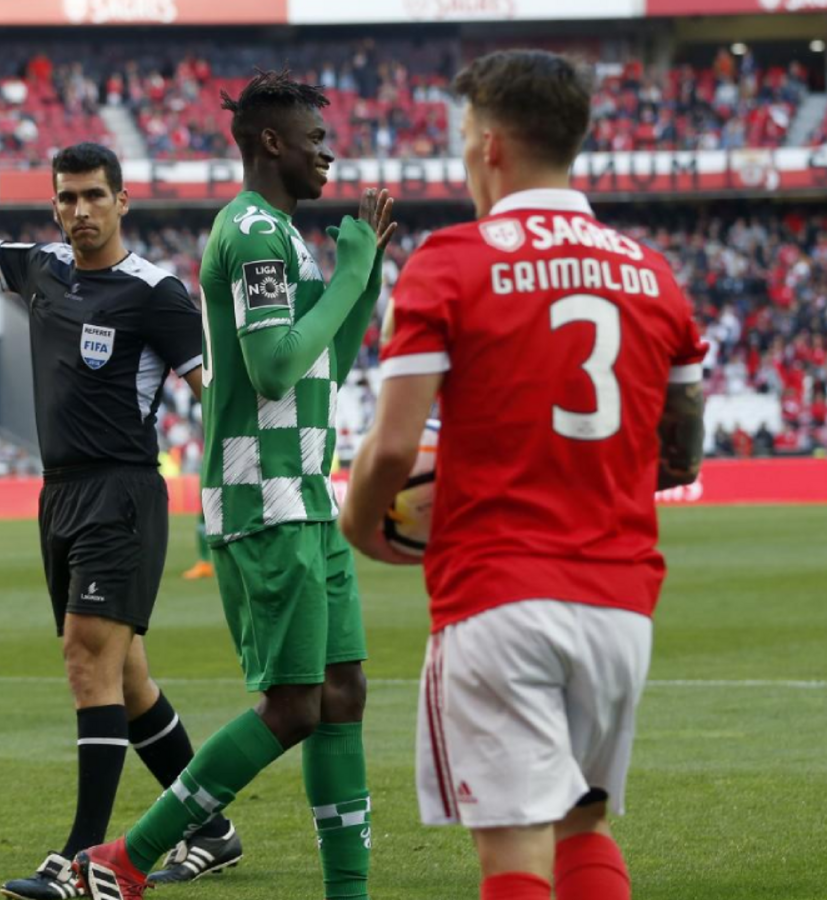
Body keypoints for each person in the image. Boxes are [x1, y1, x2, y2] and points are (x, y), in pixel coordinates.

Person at [340, 50, 706, 900]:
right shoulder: (652, 274)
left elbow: (394, 449)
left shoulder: (450, 262)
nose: (465, 155)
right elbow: (680, 456)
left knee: (511, 854)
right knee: (582, 821)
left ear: (493, 144)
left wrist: (362, 526)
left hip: (498, 594)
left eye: (466, 137)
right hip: (619, 604)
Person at [0, 142, 240, 899]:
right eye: (67, 198)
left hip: (122, 492)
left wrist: (241, 481)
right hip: (57, 494)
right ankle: (212, 826)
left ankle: (85, 859)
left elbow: (213, 393)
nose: (80, 211)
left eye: (95, 196)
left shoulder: (156, 293)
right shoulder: (44, 268)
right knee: (125, 681)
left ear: (123, 201)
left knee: (84, 660)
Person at [74, 70, 395, 900]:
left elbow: (332, 359)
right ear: (271, 144)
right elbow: (276, 367)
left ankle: (347, 893)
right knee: (292, 706)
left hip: (309, 495)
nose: (330, 155)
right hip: (263, 497)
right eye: (316, 142)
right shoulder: (250, 232)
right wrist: (352, 279)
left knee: (342, 692)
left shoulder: (286, 240)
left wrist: (369, 279)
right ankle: (128, 861)